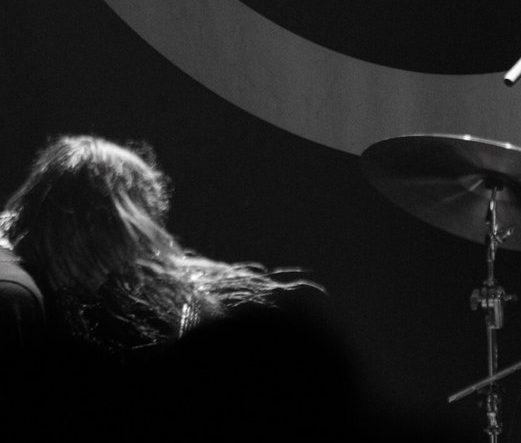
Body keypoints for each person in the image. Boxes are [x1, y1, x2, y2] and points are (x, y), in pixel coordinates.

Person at [0, 134, 308, 380]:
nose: (122, 263)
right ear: (87, 225)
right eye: (125, 240)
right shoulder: (15, 299)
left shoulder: (23, 279)